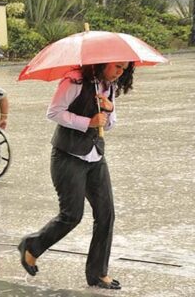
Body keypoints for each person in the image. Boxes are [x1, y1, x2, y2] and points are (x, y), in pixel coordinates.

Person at [18, 61, 135, 290]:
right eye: (117, 67)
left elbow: (108, 126)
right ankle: (32, 246)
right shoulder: (74, 81)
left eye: (124, 69)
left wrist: (109, 110)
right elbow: (54, 112)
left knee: (106, 214)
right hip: (68, 156)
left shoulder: (108, 87)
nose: (120, 72)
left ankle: (98, 273)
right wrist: (87, 122)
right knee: (72, 215)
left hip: (95, 156)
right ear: (103, 63)